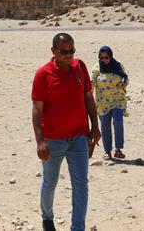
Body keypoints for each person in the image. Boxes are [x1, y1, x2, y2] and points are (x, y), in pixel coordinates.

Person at [31, 33, 100, 231]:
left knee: (81, 184)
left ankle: (77, 227)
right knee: (50, 182)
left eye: (72, 51)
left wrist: (94, 127)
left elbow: (88, 97)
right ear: (53, 51)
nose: (69, 55)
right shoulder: (43, 74)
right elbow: (37, 109)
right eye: (64, 52)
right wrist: (40, 141)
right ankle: (47, 218)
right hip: (53, 139)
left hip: (79, 137)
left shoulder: (80, 67)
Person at [91, 45, 128, 160]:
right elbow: (91, 82)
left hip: (118, 99)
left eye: (106, 57)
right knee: (105, 126)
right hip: (102, 103)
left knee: (118, 122)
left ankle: (118, 149)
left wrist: (125, 83)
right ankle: (107, 151)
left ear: (111, 56)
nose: (104, 60)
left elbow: (125, 77)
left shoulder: (118, 65)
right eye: (102, 58)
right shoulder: (97, 68)